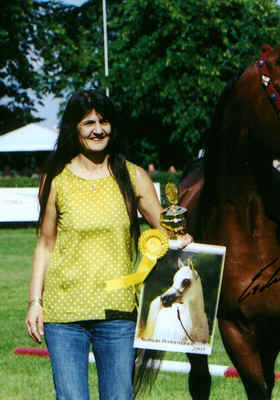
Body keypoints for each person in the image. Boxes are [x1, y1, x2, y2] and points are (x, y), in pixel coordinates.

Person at [24, 90, 176, 400]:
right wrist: (35, 302)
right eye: (88, 123)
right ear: (74, 128)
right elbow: (45, 244)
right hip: (64, 315)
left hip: (118, 313)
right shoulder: (56, 179)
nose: (98, 130)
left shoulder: (133, 176)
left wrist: (180, 237)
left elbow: (165, 231)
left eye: (104, 122)